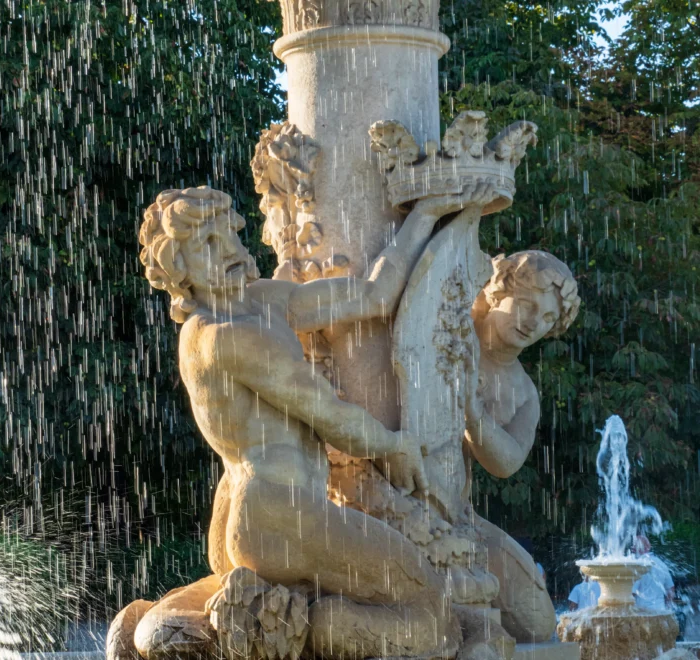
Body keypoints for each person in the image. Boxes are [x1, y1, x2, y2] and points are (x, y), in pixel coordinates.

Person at [124, 186, 487, 660]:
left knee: (411, 600)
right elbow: (328, 413)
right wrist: (396, 446)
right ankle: (314, 630)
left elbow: (372, 297)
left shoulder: (263, 301)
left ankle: (166, 627)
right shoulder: (220, 337)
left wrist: (424, 215)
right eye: (207, 246)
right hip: (277, 513)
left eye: (229, 234)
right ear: (178, 269)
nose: (231, 250)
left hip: (259, 514)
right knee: (431, 610)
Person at [462, 251, 582, 642]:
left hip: (454, 510)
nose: (534, 324)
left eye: (548, 318)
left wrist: (472, 414)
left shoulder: (523, 393)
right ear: (498, 292)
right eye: (528, 306)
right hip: (387, 473)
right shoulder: (448, 324)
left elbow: (507, 462)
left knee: (537, 622)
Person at [632, 535, 675, 611]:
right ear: (649, 547)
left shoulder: (637, 566)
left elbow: (632, 593)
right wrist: (668, 608)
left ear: (635, 549)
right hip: (660, 610)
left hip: (642, 612)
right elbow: (671, 589)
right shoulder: (661, 564)